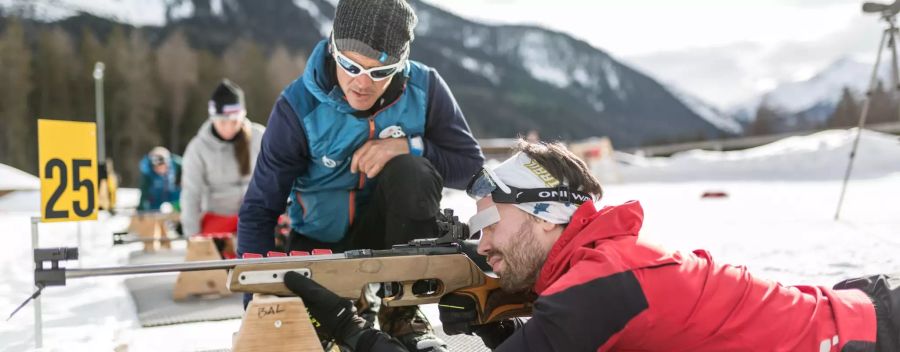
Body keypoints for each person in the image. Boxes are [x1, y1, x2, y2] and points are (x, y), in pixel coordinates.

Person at [282, 140, 900, 352]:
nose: (483, 241)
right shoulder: (603, 263)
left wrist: (358, 333)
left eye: (493, 221)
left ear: (548, 219)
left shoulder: (600, 282)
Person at [237, 0, 484, 350]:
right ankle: (356, 305)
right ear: (332, 47)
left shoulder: (425, 88)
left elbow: (471, 167)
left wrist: (410, 146)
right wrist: (257, 304)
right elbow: (259, 209)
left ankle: (400, 313)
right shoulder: (296, 107)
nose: (362, 83)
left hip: (391, 239)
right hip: (320, 244)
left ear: (401, 64)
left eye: (380, 72)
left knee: (412, 170)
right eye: (351, 66)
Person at [180, 80, 264, 242]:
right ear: (213, 119)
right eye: (222, 122)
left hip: (257, 216)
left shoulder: (260, 138)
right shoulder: (198, 148)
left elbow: (280, 175)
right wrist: (192, 236)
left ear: (243, 115)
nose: (228, 128)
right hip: (219, 218)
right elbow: (191, 194)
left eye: (234, 121)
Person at [138, 146, 181, 211]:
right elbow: (144, 194)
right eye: (157, 167)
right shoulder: (147, 173)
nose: (160, 169)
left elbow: (187, 166)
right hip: (155, 204)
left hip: (172, 201)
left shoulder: (176, 163)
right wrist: (141, 209)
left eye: (162, 166)